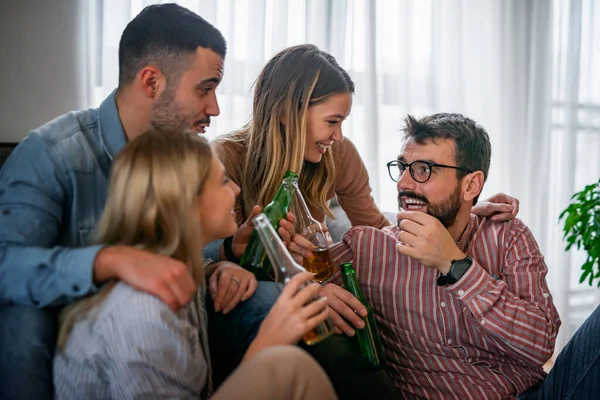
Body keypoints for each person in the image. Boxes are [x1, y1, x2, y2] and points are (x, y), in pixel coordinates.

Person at [0, 4, 274, 398]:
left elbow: (168, 240)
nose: (214, 108)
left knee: (264, 299)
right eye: (205, 88)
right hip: (83, 352)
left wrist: (221, 259)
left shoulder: (180, 155)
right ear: (151, 82)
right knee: (20, 317)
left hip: (158, 327)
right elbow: (6, 265)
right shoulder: (52, 155)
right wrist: (110, 259)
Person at [307, 113, 600, 399]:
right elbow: (291, 280)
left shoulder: (506, 234)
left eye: (424, 169)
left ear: (471, 185)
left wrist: (457, 266)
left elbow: (540, 346)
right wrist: (312, 284)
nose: (404, 183)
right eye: (403, 167)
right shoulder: (368, 249)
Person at [53, 130, 336, 400]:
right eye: (224, 181)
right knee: (286, 365)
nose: (236, 190)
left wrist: (224, 264)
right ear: (184, 202)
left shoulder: (182, 274)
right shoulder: (143, 308)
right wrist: (267, 345)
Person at [212, 44, 519, 262]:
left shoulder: (339, 155)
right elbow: (211, 251)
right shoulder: (226, 157)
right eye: (332, 122)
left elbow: (377, 227)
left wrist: (460, 213)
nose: (339, 135)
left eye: (342, 122)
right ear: (285, 112)